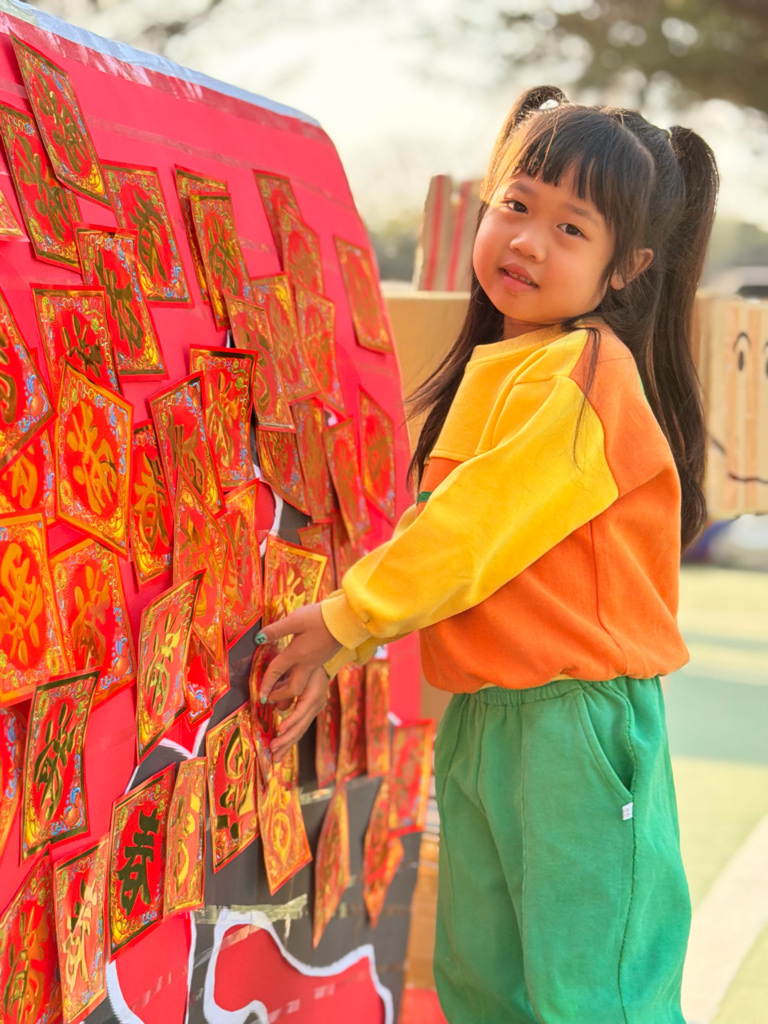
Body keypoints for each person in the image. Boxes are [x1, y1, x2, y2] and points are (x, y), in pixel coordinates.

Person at [255, 85, 719, 1024]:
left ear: (626, 268)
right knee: (481, 987)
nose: (529, 241)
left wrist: (349, 619)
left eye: (571, 228)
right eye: (516, 204)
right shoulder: (506, 366)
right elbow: (450, 536)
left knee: (592, 998)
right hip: (486, 719)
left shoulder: (586, 374)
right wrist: (346, 636)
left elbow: (473, 526)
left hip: (573, 726)